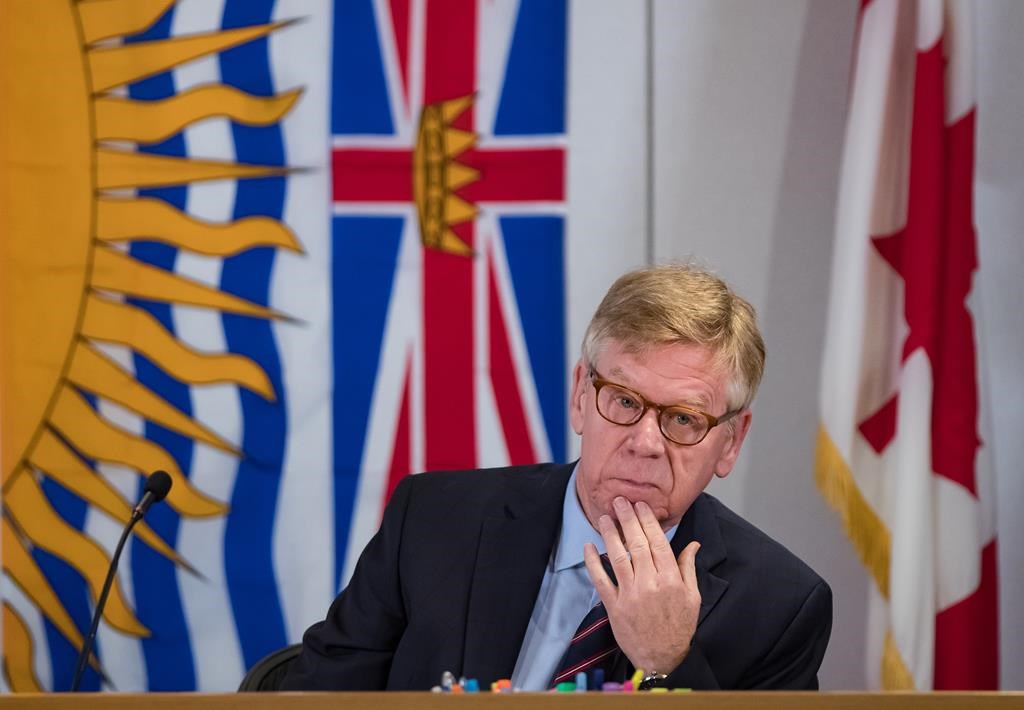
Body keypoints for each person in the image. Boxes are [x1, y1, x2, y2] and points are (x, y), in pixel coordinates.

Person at [281, 263, 832, 691]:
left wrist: (666, 666)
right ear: (579, 397)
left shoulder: (780, 607)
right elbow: (318, 697)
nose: (644, 443)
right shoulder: (432, 519)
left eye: (684, 419)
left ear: (730, 442)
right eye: (623, 400)